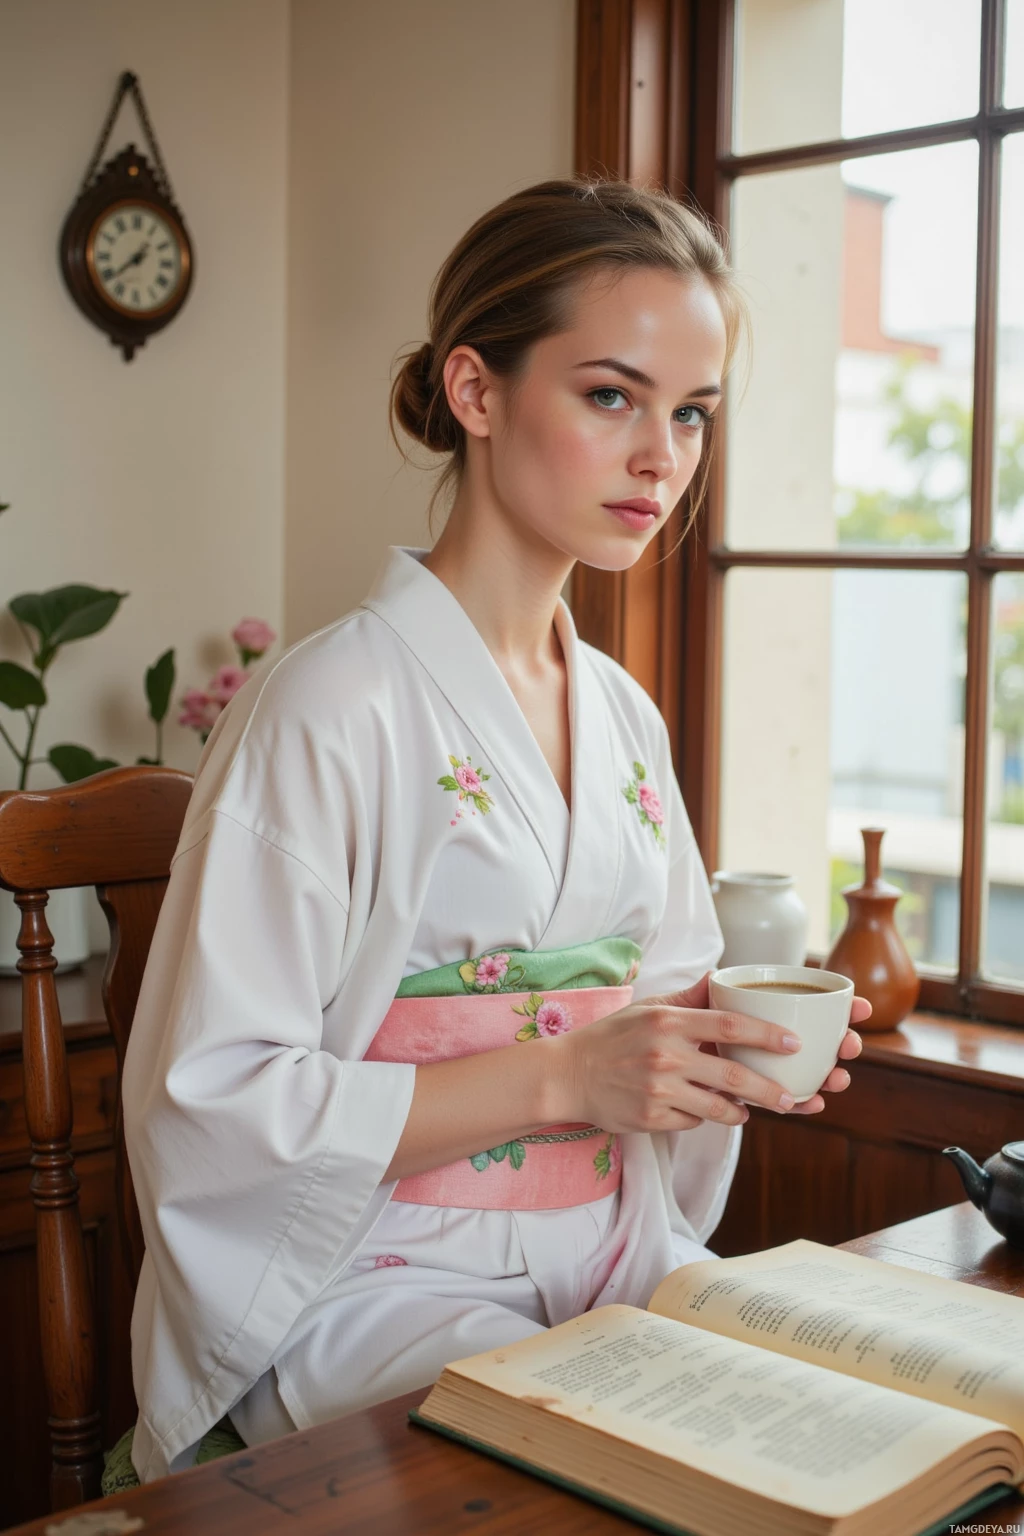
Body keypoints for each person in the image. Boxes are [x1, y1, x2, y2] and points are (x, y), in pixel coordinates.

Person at [122, 178, 866, 1483]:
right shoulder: (329, 704)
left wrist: (727, 1050)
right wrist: (564, 1078)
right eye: (610, 394)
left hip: (615, 1244)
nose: (663, 458)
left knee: (842, 1414)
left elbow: (660, 999)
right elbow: (212, 1095)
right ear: (475, 391)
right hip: (376, 1276)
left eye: (691, 413)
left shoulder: (623, 717)